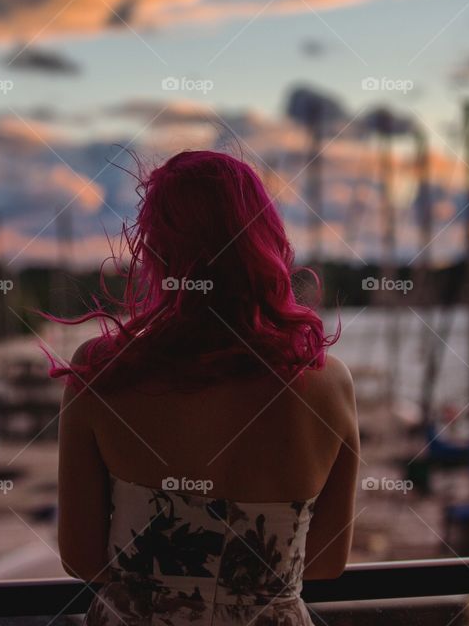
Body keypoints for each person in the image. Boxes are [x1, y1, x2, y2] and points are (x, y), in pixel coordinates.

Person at [48, 150, 359, 625]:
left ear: (154, 250)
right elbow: (326, 564)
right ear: (266, 239)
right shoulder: (330, 383)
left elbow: (82, 559)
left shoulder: (104, 373)